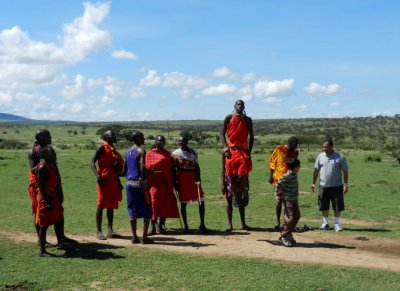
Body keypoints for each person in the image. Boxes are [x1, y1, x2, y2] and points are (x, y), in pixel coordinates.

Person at [28, 129, 74, 246]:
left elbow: (54, 168)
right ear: (42, 138)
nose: (51, 137)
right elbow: (34, 171)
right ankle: (41, 240)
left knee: (58, 209)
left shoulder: (49, 150)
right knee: (41, 212)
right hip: (39, 186)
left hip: (53, 184)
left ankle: (61, 237)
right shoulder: (34, 152)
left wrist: (59, 187)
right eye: (48, 135)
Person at [221, 99, 254, 231]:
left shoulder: (248, 120)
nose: (240, 106)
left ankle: (243, 223)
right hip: (231, 152)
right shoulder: (229, 118)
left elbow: (252, 136)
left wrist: (249, 151)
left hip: (242, 152)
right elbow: (221, 133)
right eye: (238, 104)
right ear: (234, 106)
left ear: (244, 107)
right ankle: (230, 224)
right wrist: (225, 148)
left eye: (242, 105)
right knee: (230, 198)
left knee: (242, 184)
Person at [90, 130, 124, 240]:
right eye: (112, 135)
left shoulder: (114, 149)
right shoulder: (102, 148)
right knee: (101, 204)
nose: (114, 136)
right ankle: (99, 231)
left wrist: (119, 182)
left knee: (111, 205)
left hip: (113, 180)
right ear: (106, 137)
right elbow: (91, 162)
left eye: (114, 134)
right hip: (103, 180)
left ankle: (110, 230)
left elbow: (114, 168)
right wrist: (97, 176)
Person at [123, 131, 154, 244]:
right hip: (140, 185)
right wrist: (149, 172)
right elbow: (142, 168)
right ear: (136, 139)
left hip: (129, 184)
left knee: (131, 209)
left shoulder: (127, 152)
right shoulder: (141, 151)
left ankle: (134, 237)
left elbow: (124, 170)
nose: (144, 138)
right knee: (147, 208)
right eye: (142, 137)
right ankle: (144, 237)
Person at [311, 138, 349, 231]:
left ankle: (336, 224)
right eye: (323, 147)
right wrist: (313, 183)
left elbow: (345, 171)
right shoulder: (320, 156)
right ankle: (325, 223)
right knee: (323, 204)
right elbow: (316, 171)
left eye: (326, 147)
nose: (324, 148)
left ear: (332, 147)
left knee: (337, 205)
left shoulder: (340, 156)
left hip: (337, 185)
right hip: (323, 185)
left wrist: (346, 184)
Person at [145, 135, 180, 235]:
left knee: (165, 203)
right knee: (153, 203)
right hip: (153, 183)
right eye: (159, 141)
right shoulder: (149, 154)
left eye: (163, 141)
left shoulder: (168, 154)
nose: (161, 143)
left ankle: (161, 225)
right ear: (155, 141)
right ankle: (153, 227)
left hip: (165, 182)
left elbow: (172, 169)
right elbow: (146, 168)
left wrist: (175, 182)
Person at [172, 136, 207, 233]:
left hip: (193, 179)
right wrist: (175, 183)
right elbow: (173, 170)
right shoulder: (175, 154)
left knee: (201, 201)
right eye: (179, 141)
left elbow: (197, 167)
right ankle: (186, 226)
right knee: (183, 203)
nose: (181, 142)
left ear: (187, 141)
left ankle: (202, 224)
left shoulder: (193, 152)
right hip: (182, 179)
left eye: (183, 140)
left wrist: (199, 179)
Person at [36, 146, 64, 256]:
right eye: (53, 154)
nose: (55, 156)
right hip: (46, 198)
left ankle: (60, 243)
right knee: (44, 225)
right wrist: (47, 201)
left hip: (53, 197)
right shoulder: (43, 167)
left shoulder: (50, 165)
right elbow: (41, 186)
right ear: (47, 156)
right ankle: (42, 251)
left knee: (58, 220)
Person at [268, 136, 299, 230]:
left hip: (289, 179)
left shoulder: (295, 152)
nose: (294, 148)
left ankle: (286, 223)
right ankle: (278, 221)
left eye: (295, 146)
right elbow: (272, 162)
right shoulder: (279, 149)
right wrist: (270, 175)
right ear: (289, 144)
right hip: (278, 178)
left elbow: (294, 165)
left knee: (287, 201)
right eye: (293, 146)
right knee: (279, 201)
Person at [275, 158, 301, 247]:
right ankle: (284, 236)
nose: (300, 168)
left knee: (297, 216)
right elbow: (278, 184)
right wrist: (277, 195)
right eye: (299, 166)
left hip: (294, 198)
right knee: (290, 218)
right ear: (294, 168)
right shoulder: (287, 175)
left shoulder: (294, 173)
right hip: (287, 199)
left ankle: (288, 233)